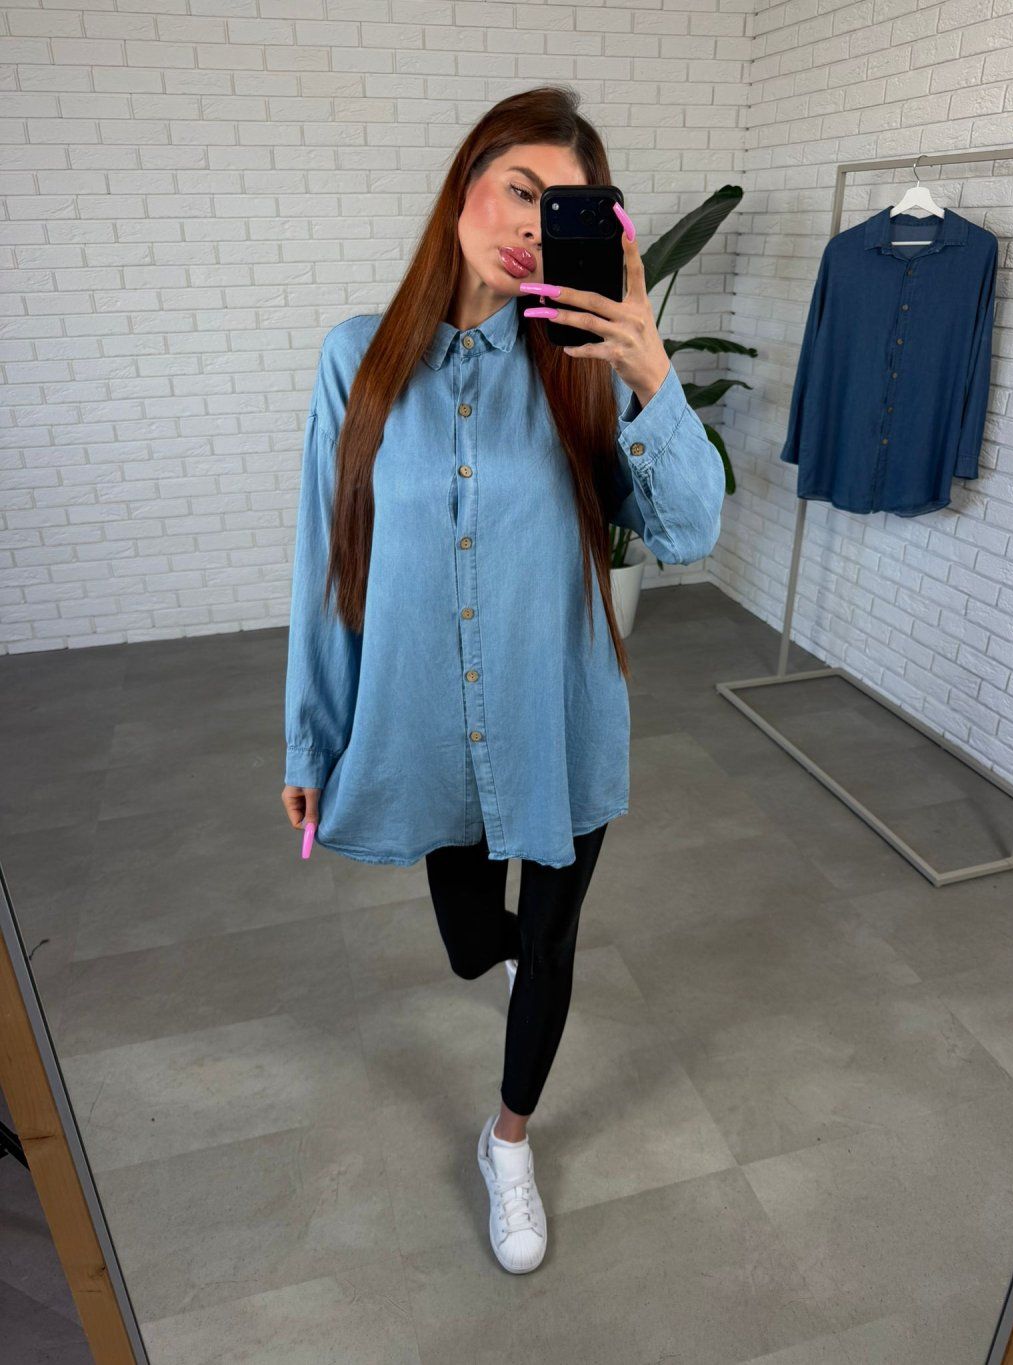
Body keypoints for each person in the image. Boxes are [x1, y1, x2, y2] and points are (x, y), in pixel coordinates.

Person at [280, 85, 726, 1274]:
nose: (532, 224)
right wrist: (310, 739)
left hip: (557, 717)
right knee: (474, 942)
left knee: (553, 946)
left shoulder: (583, 370)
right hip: (429, 724)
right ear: (464, 184)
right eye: (519, 189)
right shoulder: (357, 360)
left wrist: (650, 372)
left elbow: (688, 532)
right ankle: (519, 955)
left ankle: (508, 1140)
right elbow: (328, 563)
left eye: (561, 206)